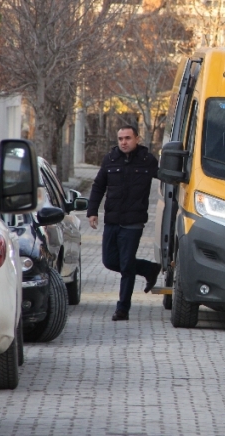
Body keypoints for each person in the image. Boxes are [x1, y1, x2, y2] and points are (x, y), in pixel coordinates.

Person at [87, 125, 162, 321]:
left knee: (127, 265)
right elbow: (98, 186)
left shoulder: (147, 160)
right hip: (112, 220)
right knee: (110, 261)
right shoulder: (110, 159)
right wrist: (92, 211)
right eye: (120, 139)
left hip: (133, 222)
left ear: (137, 138)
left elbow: (166, 176)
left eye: (128, 138)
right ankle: (148, 269)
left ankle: (122, 309)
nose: (124, 142)